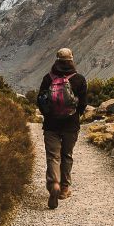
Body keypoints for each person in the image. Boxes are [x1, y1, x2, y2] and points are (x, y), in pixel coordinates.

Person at [36, 47, 87, 209]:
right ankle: (64, 188)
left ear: (56, 60)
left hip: (51, 125)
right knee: (67, 155)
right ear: (71, 60)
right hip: (71, 125)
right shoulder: (79, 79)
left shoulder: (48, 78)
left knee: (53, 157)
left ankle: (54, 184)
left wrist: (48, 114)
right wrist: (75, 115)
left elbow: (40, 100)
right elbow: (83, 104)